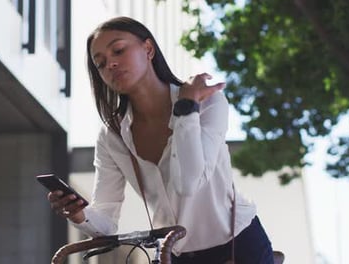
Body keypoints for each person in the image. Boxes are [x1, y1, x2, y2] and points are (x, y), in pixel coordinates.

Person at [48, 16, 274, 263]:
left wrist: (186, 109)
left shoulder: (207, 102)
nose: (110, 63)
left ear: (148, 49)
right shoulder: (112, 136)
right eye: (100, 63)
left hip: (238, 246)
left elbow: (189, 182)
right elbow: (105, 223)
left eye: (119, 50)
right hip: (175, 254)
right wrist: (79, 214)